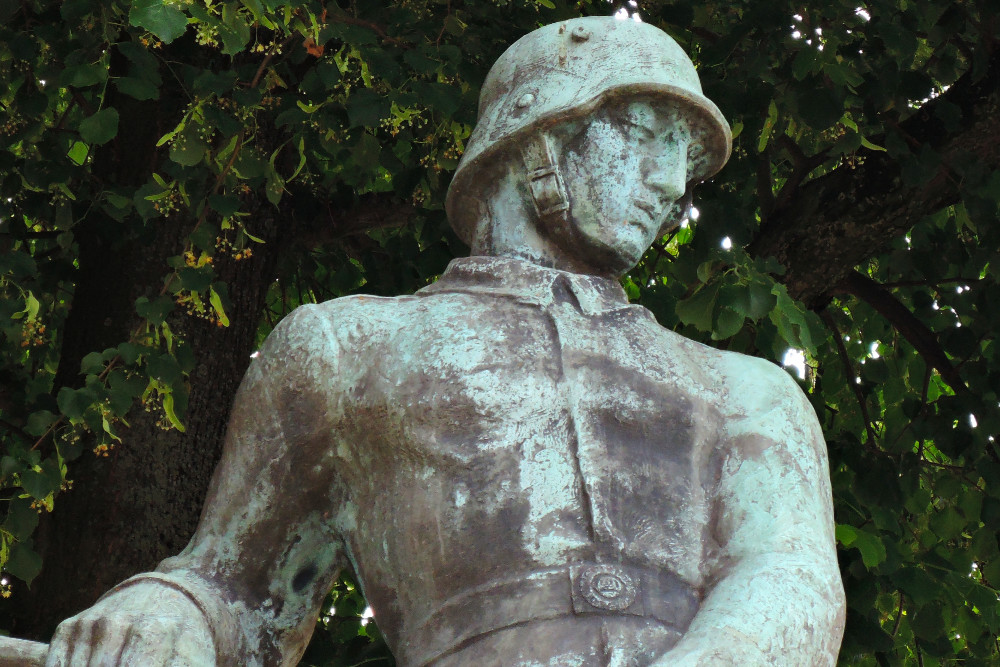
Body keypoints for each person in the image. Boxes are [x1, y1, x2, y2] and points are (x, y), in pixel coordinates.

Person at [44, 16, 845, 667]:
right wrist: (162, 610)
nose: (671, 182)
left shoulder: (747, 390)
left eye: (686, 160)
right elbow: (240, 593)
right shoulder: (345, 349)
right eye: (642, 131)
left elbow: (792, 576)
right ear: (534, 138)